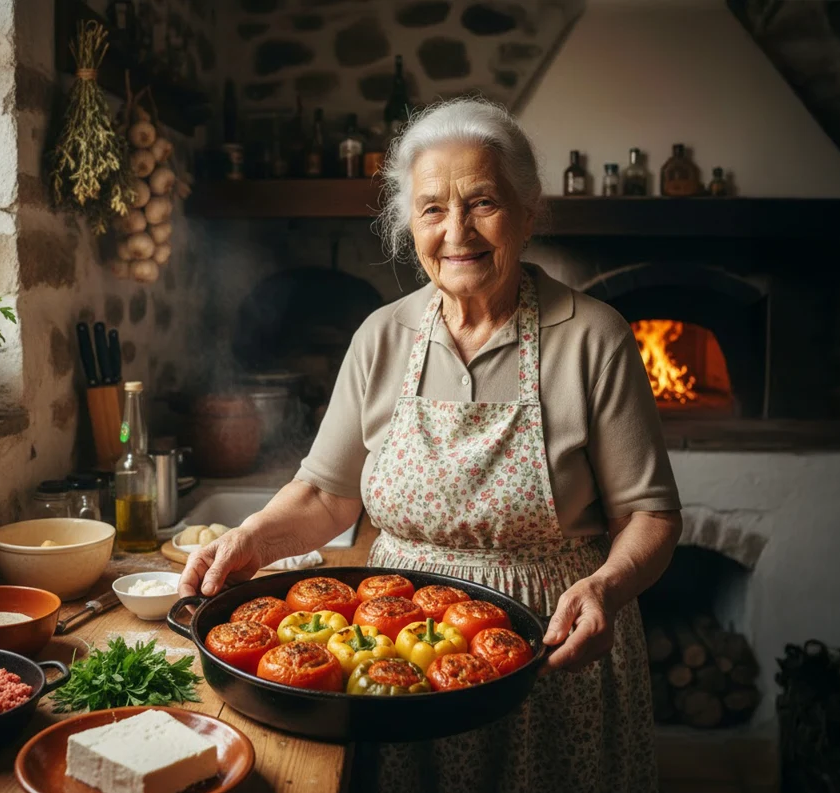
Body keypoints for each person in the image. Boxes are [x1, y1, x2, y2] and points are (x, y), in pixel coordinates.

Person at [179, 97, 681, 792]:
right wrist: (252, 537)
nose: (456, 232)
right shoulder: (381, 336)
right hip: (394, 662)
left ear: (528, 211)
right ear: (408, 224)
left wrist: (607, 586)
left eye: (483, 203)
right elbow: (325, 494)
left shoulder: (594, 336)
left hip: (547, 655)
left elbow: (650, 515)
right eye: (432, 209)